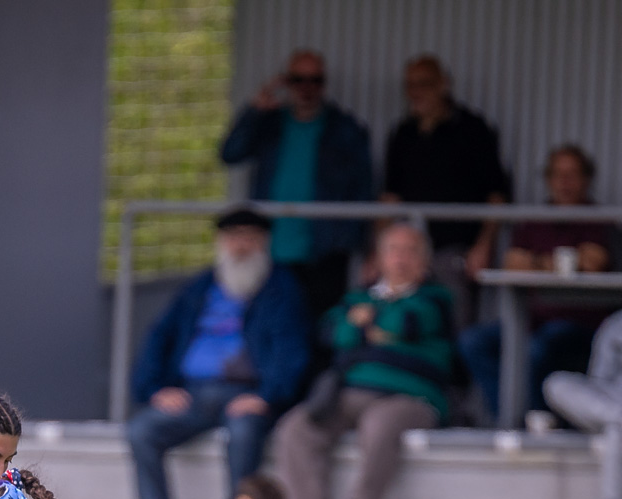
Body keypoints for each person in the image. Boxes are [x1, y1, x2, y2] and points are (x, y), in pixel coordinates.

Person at [128, 208, 311, 499]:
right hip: (193, 394)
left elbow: (293, 350)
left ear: (264, 243)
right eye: (233, 237)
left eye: (250, 238)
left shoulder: (282, 289)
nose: (241, 246)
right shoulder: (199, 288)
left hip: (246, 395)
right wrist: (155, 388)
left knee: (243, 435)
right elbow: (160, 337)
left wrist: (269, 395)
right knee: (141, 430)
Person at [274, 223, 456, 499]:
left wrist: (366, 324)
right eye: (393, 250)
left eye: (410, 251)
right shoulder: (356, 296)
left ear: (424, 260)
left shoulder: (437, 298)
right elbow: (331, 332)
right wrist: (371, 330)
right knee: (296, 427)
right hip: (350, 393)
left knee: (380, 423)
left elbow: (408, 323)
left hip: (411, 396)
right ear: (379, 258)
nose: (401, 259)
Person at [461, 145, 617, 421]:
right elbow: (512, 262)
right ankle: (510, 419)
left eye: (572, 174)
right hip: (533, 318)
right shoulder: (535, 220)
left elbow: (593, 261)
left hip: (582, 323)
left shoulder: (600, 220)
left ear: (586, 179)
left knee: (538, 347)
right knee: (473, 341)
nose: (564, 182)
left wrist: (535, 261)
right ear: (547, 179)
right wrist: (563, 262)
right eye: (557, 174)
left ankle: (538, 421)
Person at [220, 49, 374, 318]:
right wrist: (254, 110)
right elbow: (230, 154)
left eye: (315, 81)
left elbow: (364, 187)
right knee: (272, 323)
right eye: (298, 80)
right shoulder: (268, 124)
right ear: (286, 82)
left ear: (324, 84)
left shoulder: (345, 129)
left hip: (325, 252)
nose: (307, 88)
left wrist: (355, 241)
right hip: (271, 249)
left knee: (322, 328)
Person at [380, 54, 511, 325]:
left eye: (424, 84)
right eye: (410, 85)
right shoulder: (403, 133)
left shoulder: (473, 129)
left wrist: (483, 246)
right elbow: (389, 197)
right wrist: (378, 249)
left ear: (443, 85)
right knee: (403, 321)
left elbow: (497, 195)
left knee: (455, 323)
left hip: (454, 250)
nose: (416, 92)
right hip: (409, 249)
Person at [544, 309, 622, 499]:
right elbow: (598, 380)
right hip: (610, 405)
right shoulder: (615, 324)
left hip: (613, 423)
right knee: (556, 384)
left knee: (617, 430)